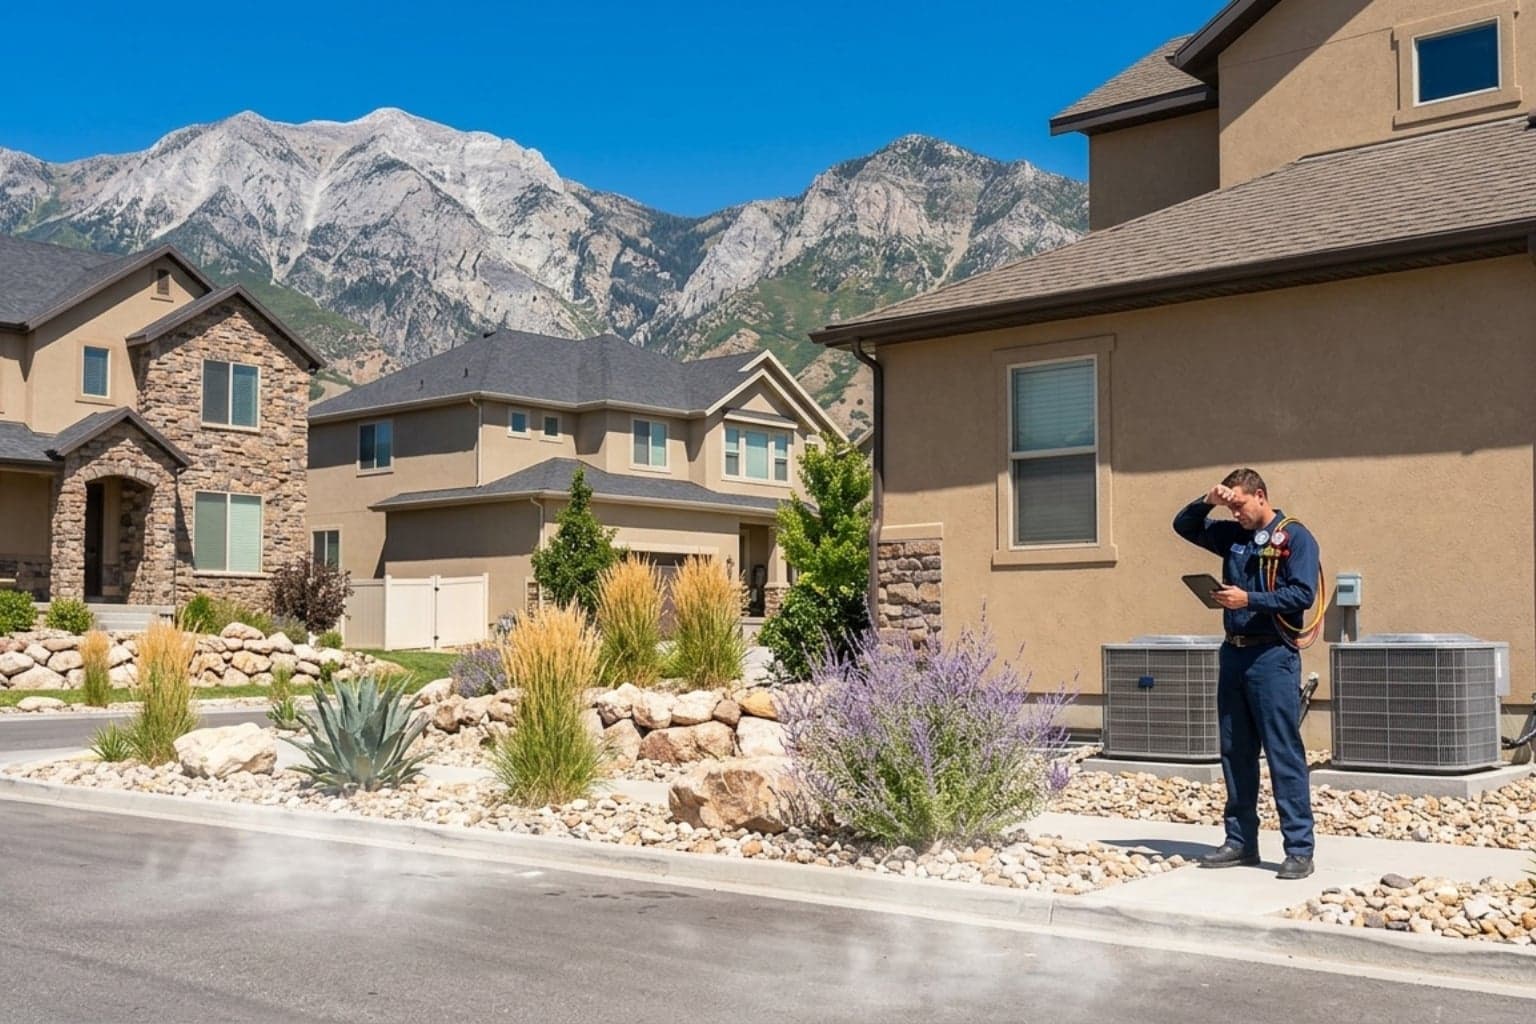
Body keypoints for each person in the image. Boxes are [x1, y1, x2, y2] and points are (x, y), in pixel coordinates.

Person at [1173, 468, 1320, 880]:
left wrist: (1248, 598)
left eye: (1239, 505)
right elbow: (1184, 526)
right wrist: (1209, 500)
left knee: (1282, 752)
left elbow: (1303, 593)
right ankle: (1240, 841)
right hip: (1234, 655)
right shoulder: (1233, 536)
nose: (1235, 513)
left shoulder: (1294, 537)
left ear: (1260, 496)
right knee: (1235, 751)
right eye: (1230, 506)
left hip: (1272, 656)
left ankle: (1299, 848)